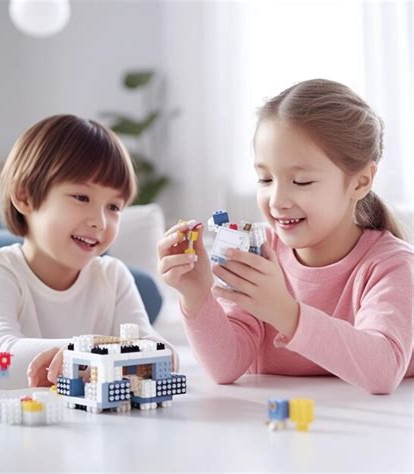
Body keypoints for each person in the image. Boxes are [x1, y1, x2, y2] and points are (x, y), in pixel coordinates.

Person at [158, 79, 413, 395]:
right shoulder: (257, 250)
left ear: (360, 182)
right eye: (265, 179)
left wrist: (283, 312)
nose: (277, 200)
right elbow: (226, 368)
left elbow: (384, 370)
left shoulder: (391, 264)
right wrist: (196, 295)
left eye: (301, 181)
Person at [0, 114, 173, 396]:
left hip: (71, 433)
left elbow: (161, 355)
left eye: (114, 207)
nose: (100, 222)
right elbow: (1, 363)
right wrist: (89, 352)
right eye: (82, 198)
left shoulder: (113, 278)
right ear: (25, 197)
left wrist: (92, 355)